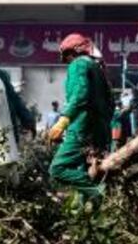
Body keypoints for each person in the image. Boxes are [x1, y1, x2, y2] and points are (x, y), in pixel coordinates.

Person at [48, 33, 113, 199]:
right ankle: (89, 216)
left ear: (73, 52)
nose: (67, 62)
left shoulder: (78, 64)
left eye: (67, 57)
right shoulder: (97, 68)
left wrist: (62, 122)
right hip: (98, 132)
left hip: (81, 130)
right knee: (84, 171)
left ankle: (98, 194)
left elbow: (79, 95)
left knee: (57, 169)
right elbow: (110, 104)